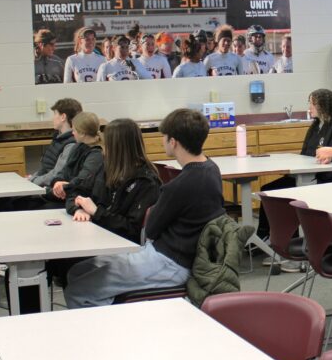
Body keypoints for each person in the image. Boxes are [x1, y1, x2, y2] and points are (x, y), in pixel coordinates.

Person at [64, 109, 226, 308]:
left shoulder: (178, 185)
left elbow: (151, 229)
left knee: (77, 291)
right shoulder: (211, 168)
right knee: (77, 272)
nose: (162, 141)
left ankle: (110, 331)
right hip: (170, 255)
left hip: (170, 262)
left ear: (173, 142)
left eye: (164, 137)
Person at [48, 118, 164, 287]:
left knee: (65, 265)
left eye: (107, 143)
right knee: (53, 262)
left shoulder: (146, 182)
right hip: (98, 235)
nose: (103, 147)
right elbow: (76, 191)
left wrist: (96, 212)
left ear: (117, 147)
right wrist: (77, 208)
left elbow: (132, 229)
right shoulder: (107, 168)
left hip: (119, 247)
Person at [256, 88, 332, 242]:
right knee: (267, 191)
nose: (309, 107)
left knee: (283, 194)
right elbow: (304, 153)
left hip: (322, 180)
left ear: (322, 106)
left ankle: (289, 241)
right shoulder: (315, 126)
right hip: (305, 176)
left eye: (312, 104)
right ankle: (264, 235)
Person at [0, 98, 82, 213]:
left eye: (55, 114)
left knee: (1, 207)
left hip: (50, 193)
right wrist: (32, 178)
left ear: (63, 117)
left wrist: (33, 181)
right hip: (43, 187)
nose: (53, 118)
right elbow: (45, 168)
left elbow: (55, 174)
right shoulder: (59, 138)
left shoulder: (70, 144)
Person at [45, 112, 104, 210]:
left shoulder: (96, 154)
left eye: (74, 130)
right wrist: (57, 182)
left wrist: (64, 187)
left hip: (75, 200)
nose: (72, 133)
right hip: (67, 195)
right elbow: (64, 171)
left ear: (82, 133)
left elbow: (82, 180)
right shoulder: (77, 147)